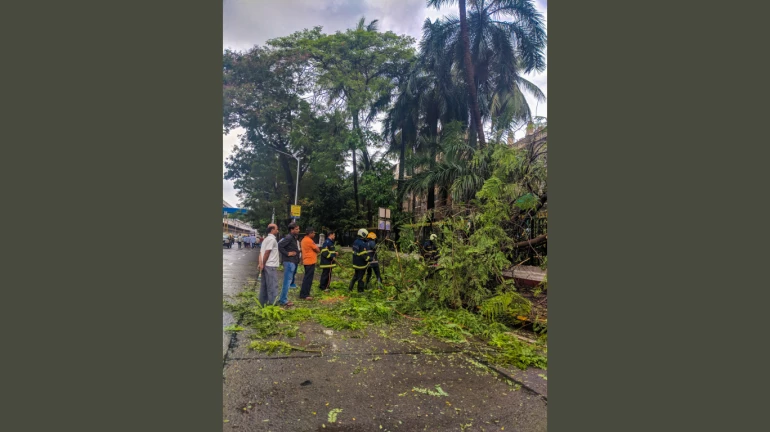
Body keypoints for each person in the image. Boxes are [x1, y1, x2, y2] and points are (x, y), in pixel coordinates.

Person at [277, 223, 300, 307]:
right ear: (292, 230)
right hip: (289, 262)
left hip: (292, 262)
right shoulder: (289, 237)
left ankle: (282, 298)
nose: (298, 230)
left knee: (288, 281)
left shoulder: (293, 238)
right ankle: (283, 300)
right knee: (287, 282)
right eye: (297, 229)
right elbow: (279, 245)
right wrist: (287, 253)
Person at [258, 224, 280, 305]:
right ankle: (273, 305)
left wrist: (261, 264)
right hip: (270, 266)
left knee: (264, 286)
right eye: (276, 229)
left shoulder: (266, 239)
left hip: (265, 265)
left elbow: (261, 253)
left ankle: (262, 303)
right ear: (272, 230)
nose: (277, 230)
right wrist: (262, 263)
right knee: (272, 286)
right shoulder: (272, 240)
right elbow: (267, 252)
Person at [299, 227, 321, 300]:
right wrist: (317, 249)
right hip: (310, 261)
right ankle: (305, 294)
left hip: (307, 261)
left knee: (307, 278)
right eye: (314, 233)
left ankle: (304, 293)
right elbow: (317, 249)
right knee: (308, 279)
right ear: (310, 233)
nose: (314, 234)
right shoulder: (309, 240)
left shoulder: (303, 240)